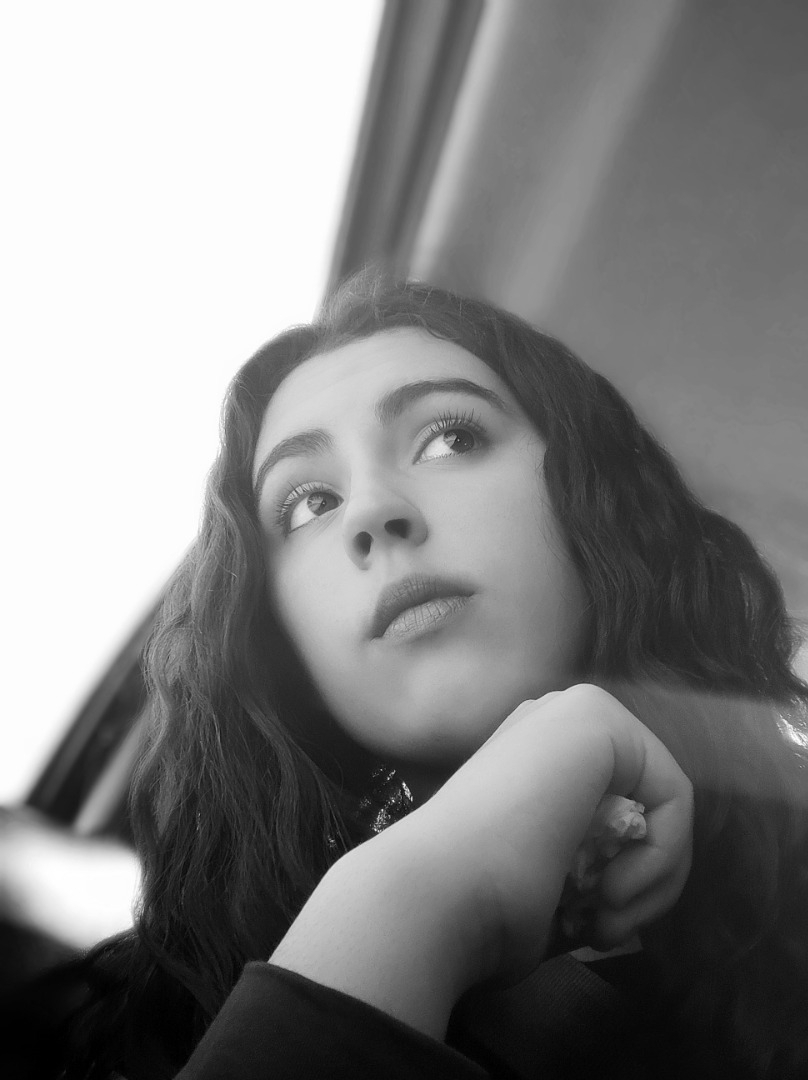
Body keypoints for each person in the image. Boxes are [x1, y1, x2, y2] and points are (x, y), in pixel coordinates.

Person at [56, 273, 807, 1078]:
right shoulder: (154, 1030)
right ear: (275, 637)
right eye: (308, 503)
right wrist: (404, 906)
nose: (372, 510)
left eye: (450, 438)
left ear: (594, 494)